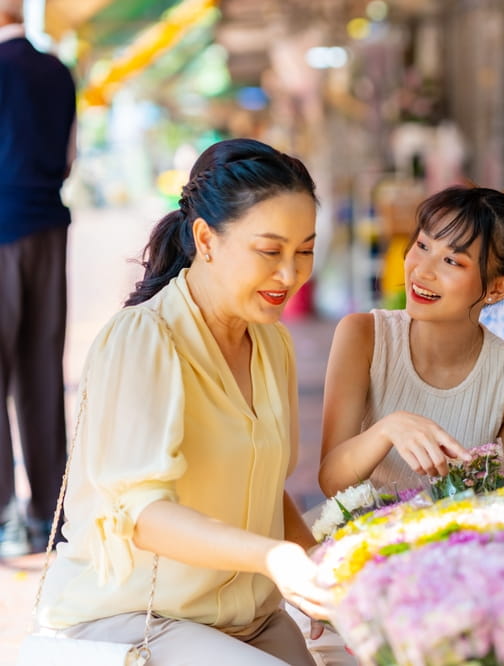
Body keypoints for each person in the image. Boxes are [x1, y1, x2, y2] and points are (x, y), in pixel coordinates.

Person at [36, 139, 329, 665]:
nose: (290, 275)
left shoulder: (271, 342)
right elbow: (143, 517)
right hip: (140, 620)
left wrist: (323, 565)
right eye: (270, 251)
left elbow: (265, 490)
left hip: (250, 618)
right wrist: (273, 557)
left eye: (304, 251)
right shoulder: (144, 339)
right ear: (206, 239)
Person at [319, 183, 504, 497]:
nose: (422, 271)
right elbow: (330, 481)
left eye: (452, 261)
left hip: (453, 542)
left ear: (497, 288)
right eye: (423, 245)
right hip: (361, 540)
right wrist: (388, 429)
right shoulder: (363, 336)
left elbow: (503, 502)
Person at [0, 0, 77, 557]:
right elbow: (70, 157)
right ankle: (50, 513)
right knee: (42, 371)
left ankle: (4, 514)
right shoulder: (57, 71)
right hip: (50, 225)